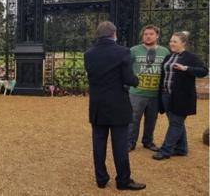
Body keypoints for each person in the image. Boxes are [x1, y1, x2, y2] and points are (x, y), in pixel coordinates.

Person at [84, 21, 145, 191]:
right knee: (119, 144)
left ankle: (101, 179)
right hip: (118, 105)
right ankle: (123, 181)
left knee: (98, 143)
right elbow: (128, 79)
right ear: (114, 34)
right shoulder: (123, 52)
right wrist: (135, 80)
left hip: (97, 105)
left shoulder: (89, 54)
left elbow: (93, 77)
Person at [152, 31, 208, 160]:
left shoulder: (191, 57)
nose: (171, 43)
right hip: (166, 95)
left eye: (175, 41)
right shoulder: (168, 57)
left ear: (183, 43)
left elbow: (204, 71)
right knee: (176, 122)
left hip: (181, 97)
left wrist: (186, 68)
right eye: (171, 41)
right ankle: (181, 149)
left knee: (176, 124)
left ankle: (166, 150)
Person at [127, 25, 170, 152]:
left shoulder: (165, 52)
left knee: (151, 119)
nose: (148, 36)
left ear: (157, 36)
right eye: (146, 34)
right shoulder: (134, 50)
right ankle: (130, 142)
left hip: (155, 93)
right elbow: (126, 67)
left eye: (151, 34)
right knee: (134, 119)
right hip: (137, 92)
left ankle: (148, 141)